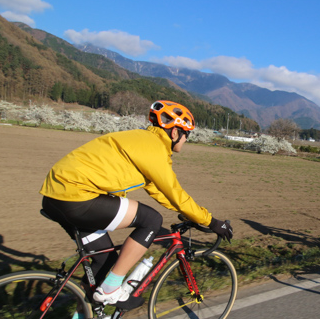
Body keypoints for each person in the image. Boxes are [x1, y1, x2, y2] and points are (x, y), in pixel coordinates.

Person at [39, 100, 233, 305]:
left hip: (55, 197)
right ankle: (111, 289)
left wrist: (188, 213)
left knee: (104, 262)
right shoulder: (154, 148)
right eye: (187, 135)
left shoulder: (141, 140)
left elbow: (157, 190)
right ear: (175, 132)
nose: (186, 140)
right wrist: (212, 222)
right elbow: (175, 193)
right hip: (77, 196)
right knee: (151, 219)